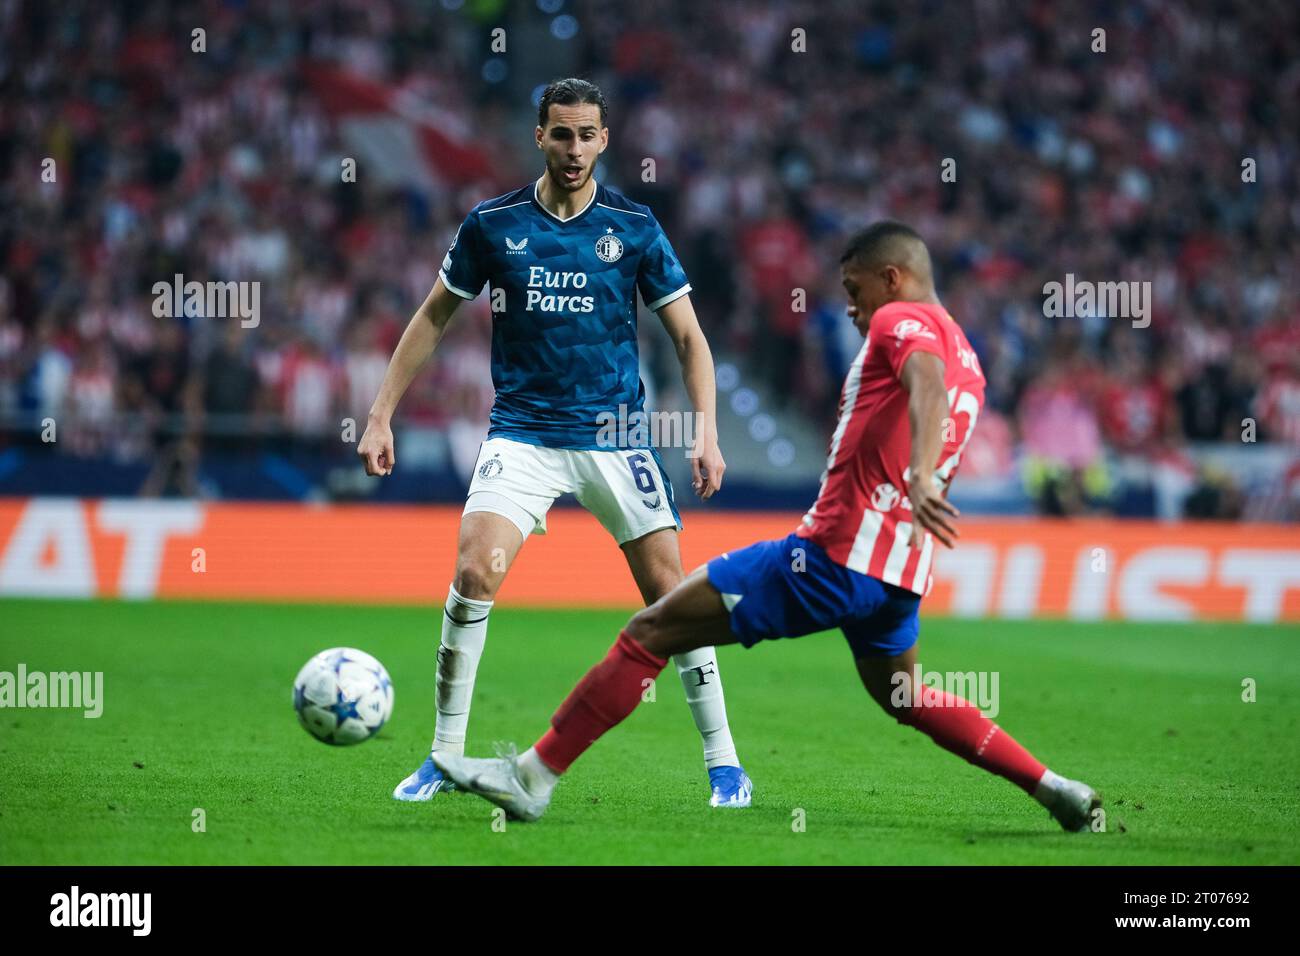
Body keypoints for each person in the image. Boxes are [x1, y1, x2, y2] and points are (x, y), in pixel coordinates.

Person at [434, 221, 1102, 832]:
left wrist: (922, 475)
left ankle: (532, 777)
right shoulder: (971, 356)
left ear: (891, 277)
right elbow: (929, 391)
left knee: (653, 628)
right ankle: (1052, 787)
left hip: (833, 556)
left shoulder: (903, 320)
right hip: (900, 570)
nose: (850, 305)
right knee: (903, 693)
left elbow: (922, 381)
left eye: (853, 287)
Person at [357, 78, 753, 808]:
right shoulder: (492, 224)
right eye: (561, 134)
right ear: (539, 136)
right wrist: (381, 412)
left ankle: (724, 762)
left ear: (605, 139)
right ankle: (443, 756)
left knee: (672, 595)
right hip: (524, 433)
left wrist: (706, 432)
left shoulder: (633, 227)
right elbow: (433, 316)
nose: (574, 149)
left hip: (614, 435)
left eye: (587, 135)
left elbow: (690, 337)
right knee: (475, 572)